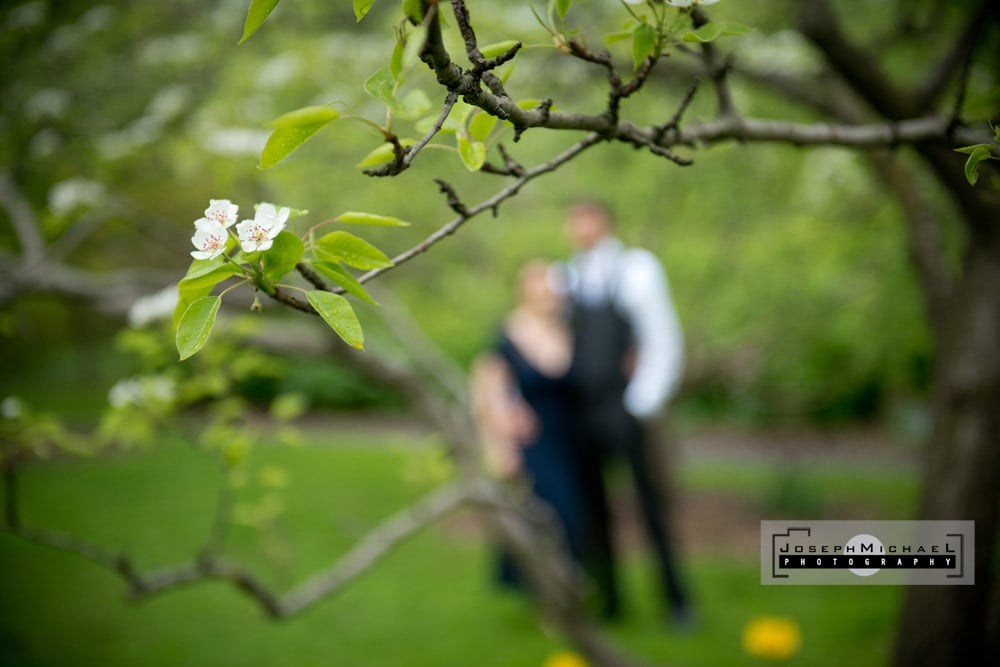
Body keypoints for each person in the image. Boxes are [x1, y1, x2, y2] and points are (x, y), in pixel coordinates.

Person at [559, 199, 693, 627]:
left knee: (652, 508)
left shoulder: (637, 269)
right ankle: (612, 602)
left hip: (626, 407)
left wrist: (640, 403)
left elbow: (663, 339)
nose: (582, 227)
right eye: (575, 219)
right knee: (595, 513)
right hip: (584, 412)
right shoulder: (567, 277)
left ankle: (677, 602)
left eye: (588, 217)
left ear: (605, 221)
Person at [471, 259, 589, 590]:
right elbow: (488, 387)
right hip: (533, 442)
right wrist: (500, 440)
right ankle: (546, 589)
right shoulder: (509, 332)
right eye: (538, 292)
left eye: (550, 293)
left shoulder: (569, 331)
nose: (546, 299)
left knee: (576, 515)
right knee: (548, 515)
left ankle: (568, 587)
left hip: (569, 439)